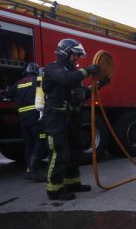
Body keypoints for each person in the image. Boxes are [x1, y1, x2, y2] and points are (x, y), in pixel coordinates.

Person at [42, 38, 107, 201]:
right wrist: (88, 70)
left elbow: (82, 94)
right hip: (56, 118)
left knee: (74, 152)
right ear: (65, 52)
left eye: (78, 56)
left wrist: (101, 84)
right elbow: (66, 79)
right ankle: (54, 189)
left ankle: (72, 183)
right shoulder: (53, 68)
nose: (76, 59)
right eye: (74, 55)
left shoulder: (73, 74)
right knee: (59, 153)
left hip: (72, 117)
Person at [5, 63, 47, 182]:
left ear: (25, 71)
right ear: (36, 71)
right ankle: (33, 170)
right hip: (36, 118)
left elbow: (8, 94)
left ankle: (29, 170)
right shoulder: (39, 80)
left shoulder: (18, 83)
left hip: (23, 119)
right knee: (40, 142)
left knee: (28, 144)